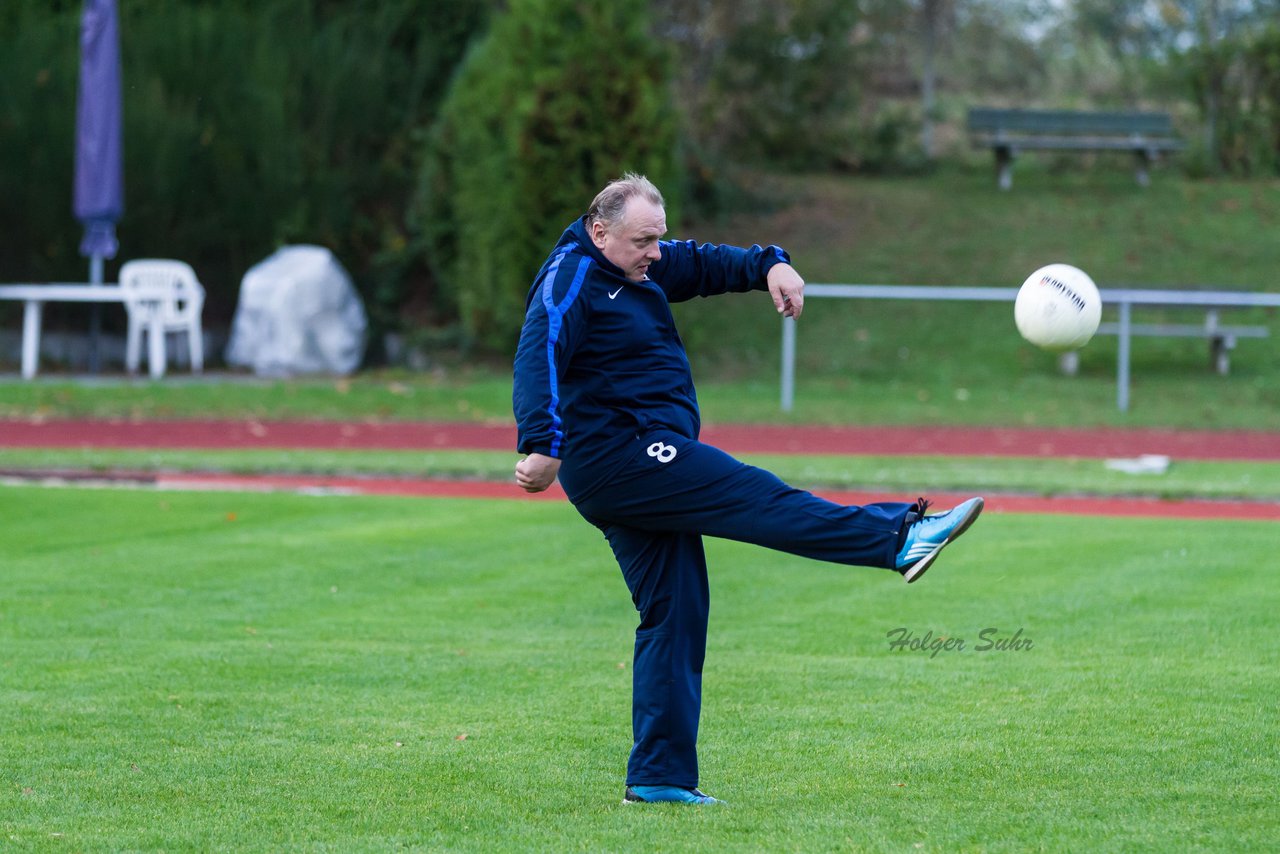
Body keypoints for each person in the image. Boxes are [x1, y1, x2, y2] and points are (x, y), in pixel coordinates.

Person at [512, 173, 982, 806]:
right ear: (600, 232)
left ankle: (658, 778)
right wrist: (541, 441)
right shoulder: (573, 274)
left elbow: (706, 263)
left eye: (659, 237)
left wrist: (770, 266)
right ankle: (899, 536)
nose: (656, 251)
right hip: (623, 457)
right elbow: (539, 343)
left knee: (676, 612)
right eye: (643, 240)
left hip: (638, 459)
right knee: (754, 496)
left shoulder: (640, 267)